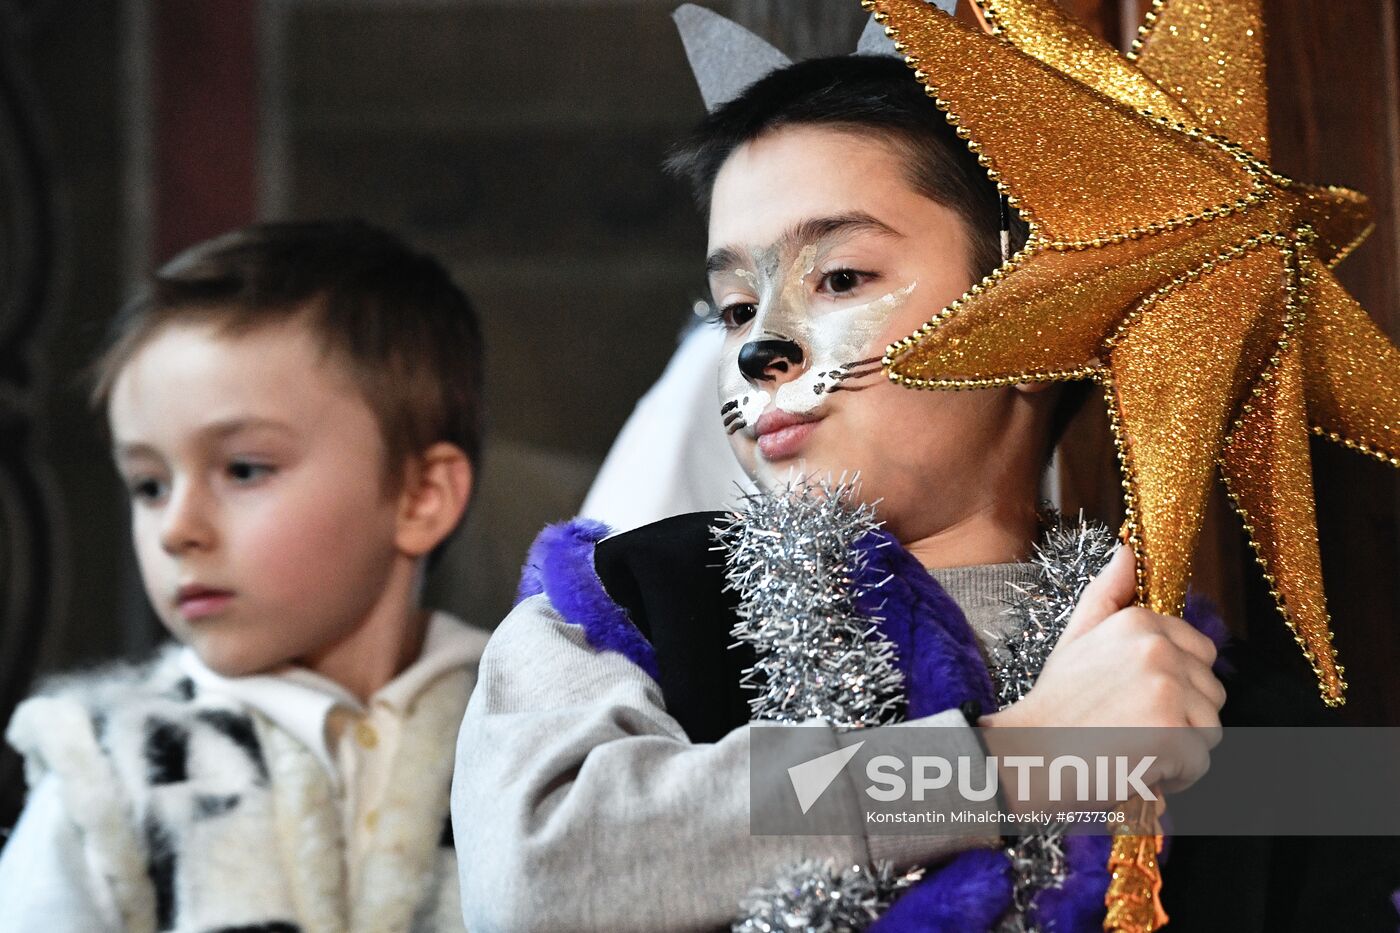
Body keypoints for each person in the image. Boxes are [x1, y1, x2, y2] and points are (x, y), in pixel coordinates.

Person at [450, 47, 1243, 930]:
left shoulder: (1205, 698)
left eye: (839, 278)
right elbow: (544, 870)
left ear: (1032, 316)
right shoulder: (618, 610)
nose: (762, 351)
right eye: (737, 309)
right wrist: (1013, 758)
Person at [0, 219, 488, 932]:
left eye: (244, 469)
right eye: (148, 484)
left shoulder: (519, 732)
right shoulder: (106, 775)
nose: (176, 528)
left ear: (421, 496)